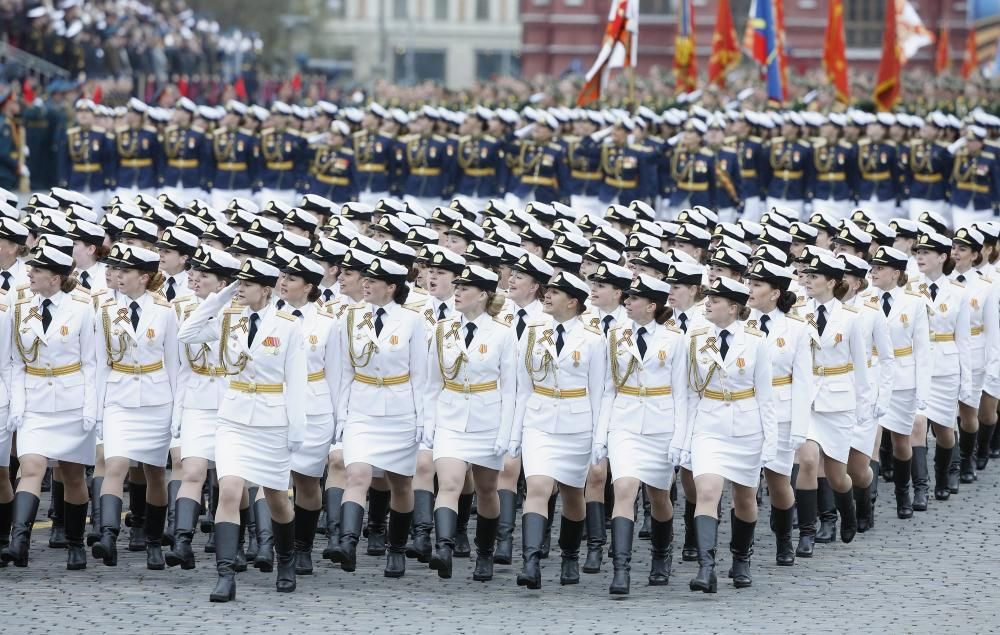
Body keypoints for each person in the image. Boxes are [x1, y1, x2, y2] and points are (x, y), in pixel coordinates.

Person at [178, 257, 307, 602]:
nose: (239, 289)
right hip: (234, 417)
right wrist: (218, 299)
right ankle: (224, 575)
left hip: (272, 420)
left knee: (278, 499)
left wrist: (297, 428)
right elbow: (186, 333)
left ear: (265, 290)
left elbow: (296, 382)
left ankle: (286, 560)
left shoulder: (288, 325)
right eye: (237, 283)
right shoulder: (227, 317)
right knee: (230, 489)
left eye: (246, 285)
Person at [672, 277, 775, 593]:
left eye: (715, 300)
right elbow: (687, 394)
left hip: (746, 426)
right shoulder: (695, 337)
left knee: (744, 498)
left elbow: (766, 396)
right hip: (709, 424)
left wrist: (770, 443)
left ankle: (741, 558)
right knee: (707, 492)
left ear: (733, 307)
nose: (708, 303)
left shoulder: (756, 341)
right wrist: (682, 439)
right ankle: (707, 567)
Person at [328, 256, 428, 578]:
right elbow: (343, 371)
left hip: (400, 411)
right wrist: (340, 417)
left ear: (392, 287)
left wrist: (423, 420)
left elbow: (421, 375)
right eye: (365, 279)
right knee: (356, 474)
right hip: (362, 407)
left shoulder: (412, 321)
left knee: (400, 483)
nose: (366, 284)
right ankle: (347, 542)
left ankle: (396, 549)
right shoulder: (351, 317)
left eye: (373, 281)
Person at [511, 271, 606, 589]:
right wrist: (514, 433)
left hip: (577, 425)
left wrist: (598, 439)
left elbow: (598, 392)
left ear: (573, 301)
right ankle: (531, 561)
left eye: (556, 292)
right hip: (538, 421)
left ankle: (569, 554)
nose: (547, 296)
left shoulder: (593, 339)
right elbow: (522, 387)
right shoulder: (533, 332)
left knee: (572, 495)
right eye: (547, 291)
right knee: (537, 487)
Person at [593, 274, 687, 594]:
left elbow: (681, 394)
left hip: (661, 425)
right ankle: (621, 569)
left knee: (659, 496)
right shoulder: (615, 335)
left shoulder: (675, 339)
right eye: (627, 298)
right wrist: (600, 435)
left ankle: (661, 555)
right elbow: (608, 388)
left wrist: (680, 438)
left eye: (634, 299)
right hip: (625, 422)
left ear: (652, 305)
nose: (627, 303)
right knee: (625, 490)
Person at [423, 265, 515, 581]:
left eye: (465, 287)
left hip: (488, 419)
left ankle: (486, 553)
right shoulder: (442, 329)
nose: (458, 292)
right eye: (457, 286)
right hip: (450, 417)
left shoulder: (503, 334)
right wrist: (429, 423)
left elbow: (511, 388)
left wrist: (507, 433)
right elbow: (432, 382)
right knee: (449, 483)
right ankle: (444, 549)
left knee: (488, 490)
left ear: (483, 294)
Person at [2, 247, 91, 569]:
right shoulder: (22, 307)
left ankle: (75, 542)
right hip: (35, 399)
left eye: (37, 270)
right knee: (31, 468)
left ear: (55, 277)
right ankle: (19, 541)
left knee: (72, 475)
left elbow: (92, 363)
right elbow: (14, 361)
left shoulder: (82, 309)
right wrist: (17, 403)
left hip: (71, 401)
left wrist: (92, 408)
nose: (30, 273)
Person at [93, 243, 179, 570]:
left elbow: (173, 363)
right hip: (118, 396)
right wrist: (97, 408)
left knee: (155, 473)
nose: (118, 276)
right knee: (115, 465)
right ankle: (108, 535)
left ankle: (154, 540)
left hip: (157, 400)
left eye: (126, 271)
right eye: (116, 270)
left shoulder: (165, 310)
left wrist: (176, 411)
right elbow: (99, 361)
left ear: (144, 276)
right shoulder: (103, 308)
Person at [164, 247, 241, 571]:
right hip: (197, 400)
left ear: (223, 282)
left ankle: (237, 543)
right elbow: (179, 366)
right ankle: (182, 542)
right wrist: (177, 414)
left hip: (232, 402)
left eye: (204, 274)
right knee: (192, 470)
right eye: (194, 272)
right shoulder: (180, 308)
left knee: (232, 480)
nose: (194, 278)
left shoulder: (242, 312)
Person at [794, 252, 871, 558]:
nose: (807, 281)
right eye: (806, 276)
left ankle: (848, 511)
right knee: (809, 460)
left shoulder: (851, 318)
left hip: (839, 401)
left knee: (838, 476)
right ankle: (807, 532)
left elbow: (862, 369)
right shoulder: (799, 314)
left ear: (832, 282)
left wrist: (864, 410)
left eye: (814, 277)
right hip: (806, 397)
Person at [745, 261, 813, 566]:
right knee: (744, 483)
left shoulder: (796, 329)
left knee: (777, 481)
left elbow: (803, 381)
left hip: (781, 412)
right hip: (744, 408)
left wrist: (800, 426)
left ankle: (785, 539)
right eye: (750, 284)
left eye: (757, 285)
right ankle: (741, 549)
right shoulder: (739, 323)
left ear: (775, 293)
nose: (750, 290)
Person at [279, 254, 340, 577]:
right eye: (282, 277)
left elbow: (336, 374)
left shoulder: (328, 322)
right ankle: (271, 545)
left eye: (291, 278)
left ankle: (302, 547)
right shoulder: (270, 316)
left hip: (315, 403)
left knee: (307, 479)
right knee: (270, 479)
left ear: (309, 286)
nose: (283, 283)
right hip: (276, 400)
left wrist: (337, 420)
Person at [493, 253, 553, 565]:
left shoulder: (547, 317)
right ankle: (503, 539)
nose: (512, 280)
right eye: (512, 274)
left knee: (535, 474)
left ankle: (537, 533)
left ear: (535, 287)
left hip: (533, 401)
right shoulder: (497, 311)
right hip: (498, 399)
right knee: (505, 468)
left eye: (520, 276)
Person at [867, 245, 931, 518]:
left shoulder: (914, 302)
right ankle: (866, 502)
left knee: (901, 442)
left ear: (896, 273)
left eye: (880, 268)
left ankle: (903, 492)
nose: (874, 272)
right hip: (873, 375)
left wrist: (923, 391)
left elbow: (922, 348)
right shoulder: (863, 300)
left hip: (903, 378)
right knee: (871, 439)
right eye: (873, 267)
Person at [910, 231, 973, 502]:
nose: (920, 257)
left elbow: (965, 341)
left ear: (942, 257)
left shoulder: (958, 292)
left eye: (926, 253)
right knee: (917, 425)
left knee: (945, 431)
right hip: (916, 366)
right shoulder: (910, 288)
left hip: (946, 368)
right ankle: (920, 488)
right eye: (918, 252)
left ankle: (946, 470)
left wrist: (966, 382)